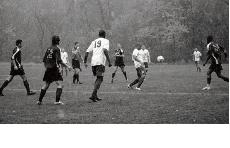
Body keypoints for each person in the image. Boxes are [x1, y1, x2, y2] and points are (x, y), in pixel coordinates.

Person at [37, 35, 71, 105]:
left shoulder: (48, 48)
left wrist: (46, 67)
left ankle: (39, 101)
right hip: (54, 68)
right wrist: (68, 66)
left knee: (46, 84)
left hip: (48, 68)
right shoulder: (57, 49)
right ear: (57, 41)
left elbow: (44, 60)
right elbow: (59, 61)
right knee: (60, 84)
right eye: (58, 40)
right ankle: (57, 101)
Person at [84, 30, 112, 102]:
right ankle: (93, 95)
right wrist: (109, 61)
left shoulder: (94, 41)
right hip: (100, 62)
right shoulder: (106, 41)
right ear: (104, 35)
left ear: (98, 35)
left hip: (93, 62)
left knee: (98, 78)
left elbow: (87, 52)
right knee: (100, 78)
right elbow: (105, 51)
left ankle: (95, 96)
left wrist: (85, 61)